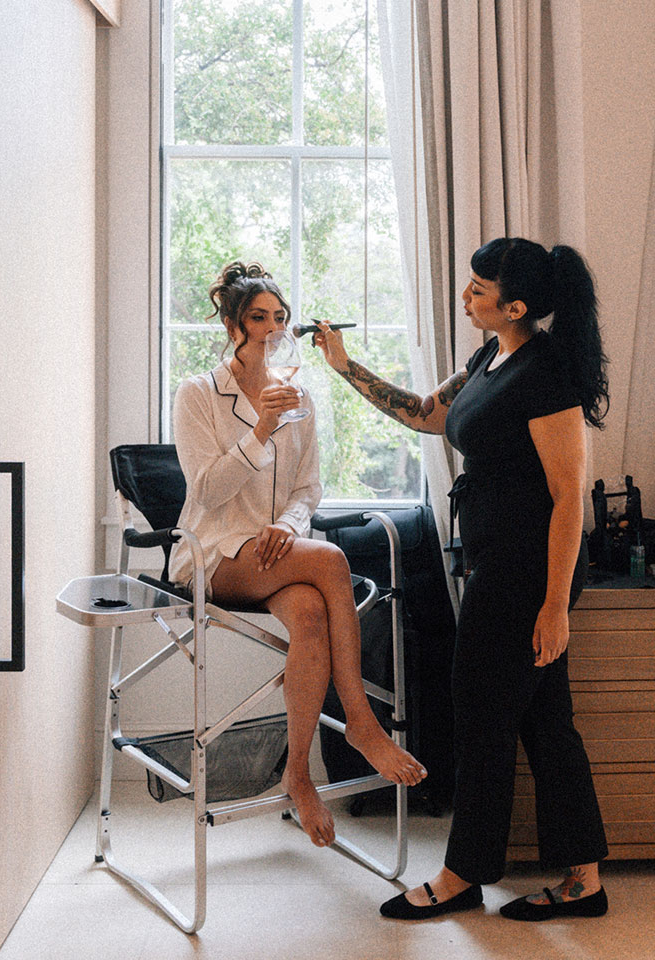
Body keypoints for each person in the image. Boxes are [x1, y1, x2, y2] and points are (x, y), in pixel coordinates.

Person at [313, 237, 612, 922]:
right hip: (499, 563)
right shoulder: (490, 357)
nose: (466, 297)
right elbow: (425, 412)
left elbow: (571, 495)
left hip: (528, 573)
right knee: (545, 724)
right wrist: (344, 365)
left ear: (516, 305)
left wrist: (555, 606)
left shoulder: (544, 375)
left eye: (478, 290)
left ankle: (461, 876)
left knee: (481, 716)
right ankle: (584, 881)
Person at [169, 260, 425, 848]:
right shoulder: (197, 394)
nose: (271, 327)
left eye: (280, 317)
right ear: (233, 325)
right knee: (332, 562)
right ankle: (361, 721)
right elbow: (206, 491)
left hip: (276, 556)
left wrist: (287, 524)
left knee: (311, 614)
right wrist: (259, 427)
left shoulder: (299, 395)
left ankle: (298, 775)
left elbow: (309, 488)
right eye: (258, 317)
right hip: (214, 556)